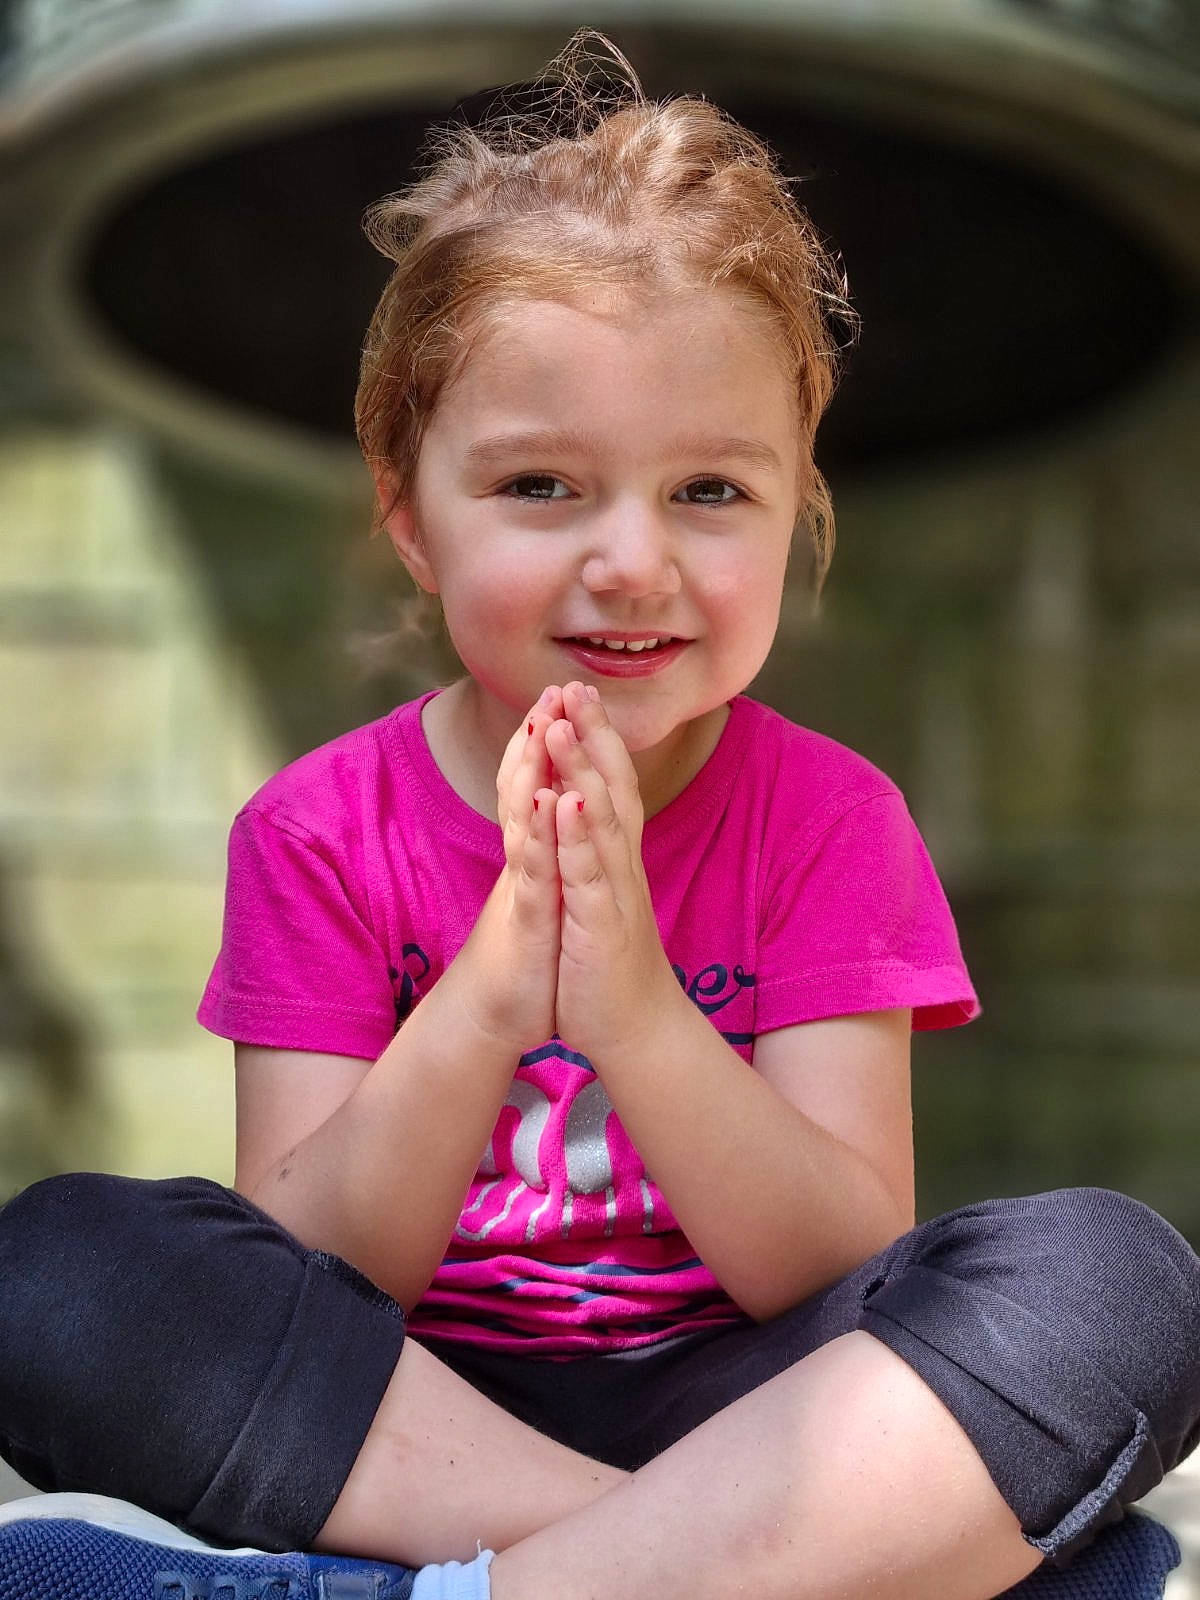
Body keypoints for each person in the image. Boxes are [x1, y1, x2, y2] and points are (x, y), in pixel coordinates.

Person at [0, 32, 1197, 1600]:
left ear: (795, 507)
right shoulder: (318, 830)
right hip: (401, 1422)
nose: (632, 563)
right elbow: (314, 1271)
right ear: (408, 514)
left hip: (755, 1405)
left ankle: (486, 1591)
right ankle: (788, 1573)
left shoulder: (833, 823)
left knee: (1118, 1282)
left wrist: (633, 1009)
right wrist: (497, 987)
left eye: (710, 492)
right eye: (541, 487)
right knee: (62, 1271)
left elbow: (832, 1264)